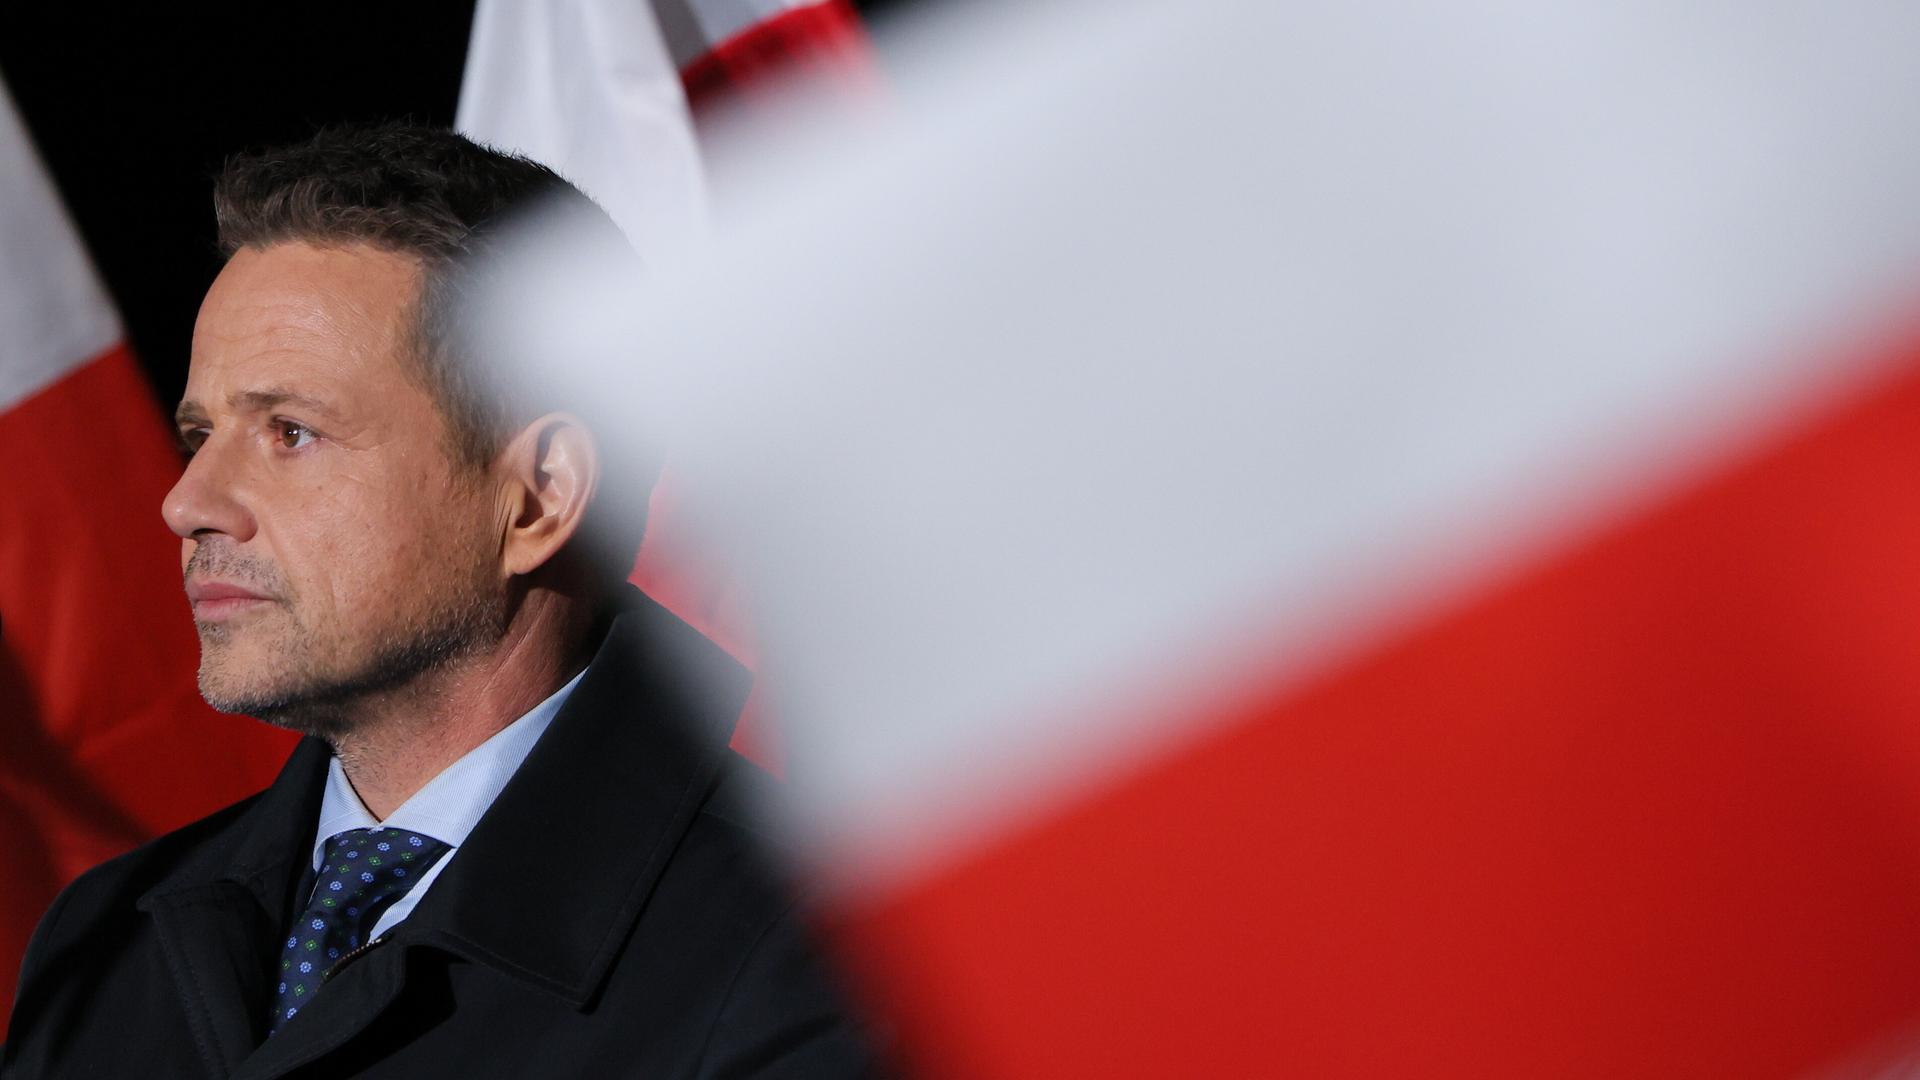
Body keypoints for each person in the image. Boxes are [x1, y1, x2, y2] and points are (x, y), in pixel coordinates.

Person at [0, 123, 883, 1078]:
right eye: (200, 435)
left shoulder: (833, 957)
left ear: (539, 494)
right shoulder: (101, 943)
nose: (186, 503)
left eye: (290, 432)